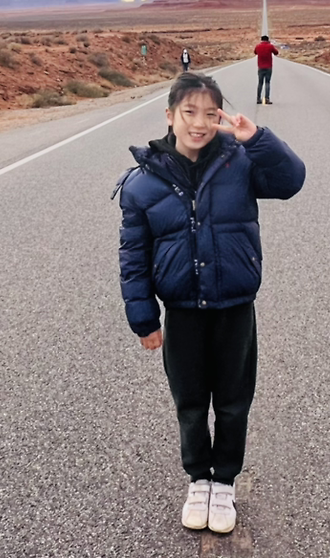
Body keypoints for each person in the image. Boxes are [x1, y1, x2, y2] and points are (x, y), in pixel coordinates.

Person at [115, 72, 305, 535]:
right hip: (182, 312)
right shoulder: (142, 183)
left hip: (234, 308)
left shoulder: (239, 162)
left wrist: (256, 138)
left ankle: (225, 483)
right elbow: (133, 258)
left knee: (234, 402)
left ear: (220, 117)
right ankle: (199, 478)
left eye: (209, 113)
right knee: (191, 402)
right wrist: (144, 318)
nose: (199, 123)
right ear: (170, 116)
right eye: (189, 112)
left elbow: (291, 180)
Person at [253, 35, 280, 104]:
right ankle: (267, 99)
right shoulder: (270, 46)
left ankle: (258, 98)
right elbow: (276, 53)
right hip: (268, 67)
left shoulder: (258, 46)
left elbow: (255, 52)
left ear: (261, 40)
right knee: (267, 83)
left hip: (260, 67)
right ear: (268, 40)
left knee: (260, 83)